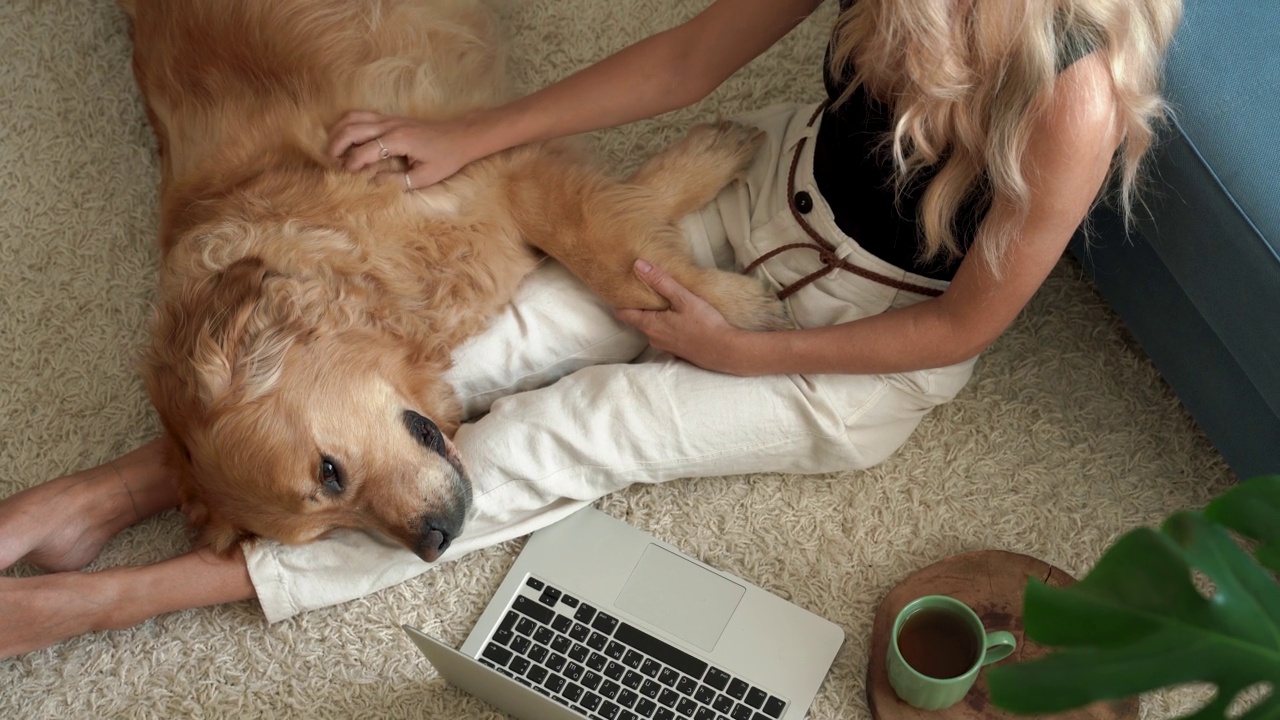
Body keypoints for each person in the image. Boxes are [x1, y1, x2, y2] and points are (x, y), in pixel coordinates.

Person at [0, 0, 1181, 658]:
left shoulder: (1072, 87)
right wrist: (474, 137)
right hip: (764, 197)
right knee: (476, 348)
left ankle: (129, 599)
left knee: (585, 424)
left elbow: (961, 326)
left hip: (853, 353)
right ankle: (131, 485)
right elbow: (685, 57)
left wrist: (739, 356)